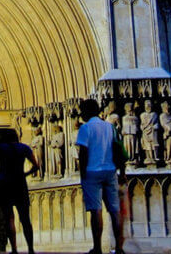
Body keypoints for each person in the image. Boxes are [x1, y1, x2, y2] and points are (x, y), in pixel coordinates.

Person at [76, 99, 125, 254]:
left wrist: (82, 174)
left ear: (87, 112)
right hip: (110, 170)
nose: (81, 114)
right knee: (114, 210)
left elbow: (83, 153)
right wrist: (122, 172)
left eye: (82, 111)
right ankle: (119, 248)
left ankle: (97, 248)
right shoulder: (109, 127)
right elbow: (119, 150)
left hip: (92, 172)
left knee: (96, 210)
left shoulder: (85, 128)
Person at [0, 129, 39, 254]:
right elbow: (36, 165)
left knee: (9, 218)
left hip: (4, 183)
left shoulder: (1, 147)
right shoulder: (24, 148)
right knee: (25, 218)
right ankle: (31, 249)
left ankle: (14, 249)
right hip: (19, 183)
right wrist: (25, 174)